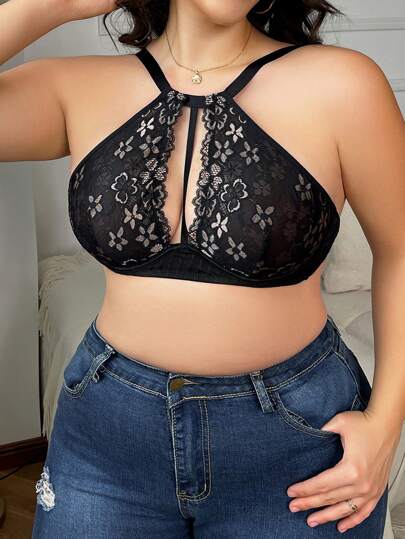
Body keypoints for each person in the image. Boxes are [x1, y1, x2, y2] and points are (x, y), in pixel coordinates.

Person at [1, 0, 404, 536]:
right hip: (105, 439)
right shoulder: (75, 87)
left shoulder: (343, 84)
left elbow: (400, 252)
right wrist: (56, 4)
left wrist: (385, 426)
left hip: (296, 446)